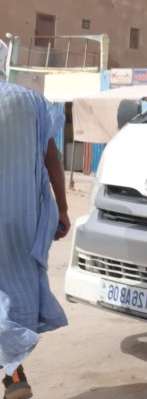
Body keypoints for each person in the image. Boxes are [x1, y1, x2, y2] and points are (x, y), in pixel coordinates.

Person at [0, 81, 70, 399]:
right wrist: (62, 209)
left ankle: (14, 374)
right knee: (15, 291)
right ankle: (14, 375)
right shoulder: (31, 100)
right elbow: (51, 156)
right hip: (22, 215)